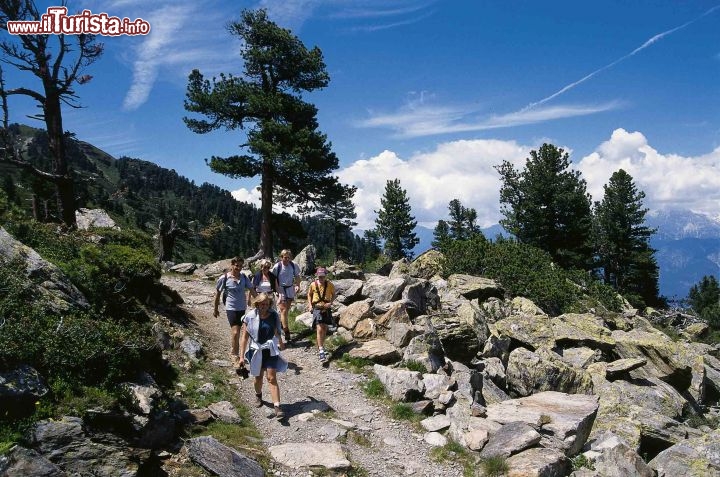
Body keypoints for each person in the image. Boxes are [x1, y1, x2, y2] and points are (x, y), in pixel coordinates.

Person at [238, 293, 288, 419]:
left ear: (269, 304)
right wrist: (241, 357)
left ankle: (277, 407)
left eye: (266, 304)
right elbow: (244, 338)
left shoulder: (274, 316)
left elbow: (277, 331)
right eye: (262, 304)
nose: (264, 306)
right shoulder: (249, 317)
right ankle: (258, 395)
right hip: (256, 350)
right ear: (257, 304)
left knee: (271, 378)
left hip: (270, 350)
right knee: (258, 378)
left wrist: (280, 343)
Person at [213, 257, 256, 370]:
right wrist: (215, 309)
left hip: (242, 308)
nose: (238, 268)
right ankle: (235, 355)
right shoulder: (224, 278)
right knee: (236, 332)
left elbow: (252, 290)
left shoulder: (244, 277)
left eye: (240, 266)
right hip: (230, 308)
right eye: (236, 265)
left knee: (240, 331)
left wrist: (262, 301)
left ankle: (234, 350)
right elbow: (218, 294)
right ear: (232, 265)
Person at [306, 267, 335, 364]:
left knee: (325, 328)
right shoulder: (313, 284)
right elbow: (309, 295)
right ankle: (321, 350)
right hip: (317, 308)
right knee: (319, 328)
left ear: (325, 276)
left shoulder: (330, 284)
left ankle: (321, 345)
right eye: (319, 276)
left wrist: (330, 302)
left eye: (323, 276)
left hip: (326, 308)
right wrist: (310, 305)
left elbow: (334, 294)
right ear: (317, 276)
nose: (321, 278)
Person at [271, 249, 301, 342]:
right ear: (281, 257)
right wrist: (275, 289)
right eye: (285, 257)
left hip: (290, 289)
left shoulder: (293, 265)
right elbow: (273, 278)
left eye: (288, 257)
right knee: (283, 310)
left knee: (286, 310)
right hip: (280, 289)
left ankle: (280, 323)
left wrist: (298, 285)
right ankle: (287, 331)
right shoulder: (277, 266)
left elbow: (297, 276)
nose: (287, 259)